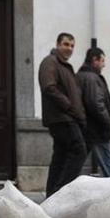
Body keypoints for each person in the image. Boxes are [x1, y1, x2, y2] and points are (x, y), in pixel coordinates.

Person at [38, 32, 87, 197]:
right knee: (79, 150)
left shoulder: (65, 66)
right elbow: (49, 88)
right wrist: (70, 107)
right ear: (58, 44)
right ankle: (61, 192)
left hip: (68, 117)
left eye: (72, 46)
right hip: (62, 118)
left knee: (60, 155)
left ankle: (52, 194)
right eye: (66, 44)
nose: (69, 48)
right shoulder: (50, 62)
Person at [76, 47, 110, 177]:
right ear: (95, 60)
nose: (104, 65)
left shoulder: (81, 76)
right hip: (96, 129)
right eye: (102, 61)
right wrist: (108, 122)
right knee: (108, 162)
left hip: (87, 127)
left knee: (77, 160)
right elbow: (96, 104)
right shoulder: (92, 78)